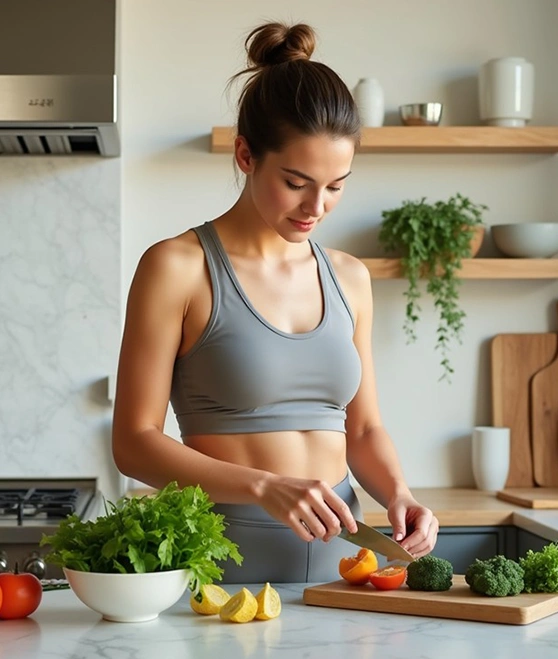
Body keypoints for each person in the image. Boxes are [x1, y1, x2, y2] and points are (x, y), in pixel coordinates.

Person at [112, 20, 439, 583]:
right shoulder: (177, 267)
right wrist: (265, 487)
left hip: (345, 564)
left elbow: (361, 431)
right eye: (296, 181)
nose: (317, 205)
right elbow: (134, 443)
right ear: (245, 154)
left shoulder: (349, 277)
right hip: (220, 563)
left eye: (337, 184)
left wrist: (399, 493)